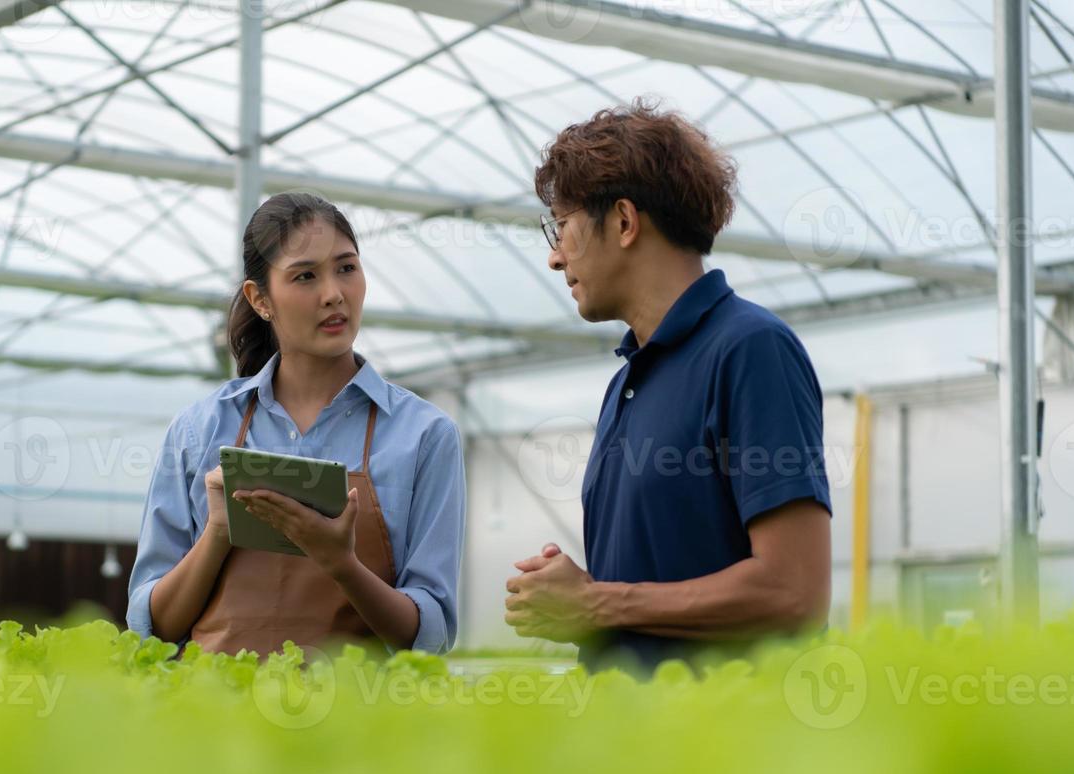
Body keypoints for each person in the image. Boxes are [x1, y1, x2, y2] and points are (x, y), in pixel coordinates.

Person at [505, 99, 833, 670]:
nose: (556, 258)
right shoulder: (627, 379)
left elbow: (794, 593)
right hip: (637, 745)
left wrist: (595, 602)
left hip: (719, 746)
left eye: (563, 228)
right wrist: (579, 603)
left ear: (625, 222)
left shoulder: (750, 349)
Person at [128, 192, 465, 656]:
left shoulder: (424, 435)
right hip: (212, 722)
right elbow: (154, 627)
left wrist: (340, 563)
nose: (334, 294)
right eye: (305, 276)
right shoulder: (198, 430)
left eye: (347, 268)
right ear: (260, 299)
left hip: (363, 723)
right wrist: (218, 534)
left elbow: (430, 635)